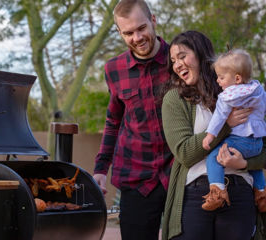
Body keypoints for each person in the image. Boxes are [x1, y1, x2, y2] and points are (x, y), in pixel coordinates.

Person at [160, 30, 266, 240]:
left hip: (240, 192)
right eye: (173, 60)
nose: (178, 64)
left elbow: (263, 149)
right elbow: (184, 153)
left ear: (200, 55)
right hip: (197, 194)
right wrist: (226, 126)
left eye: (182, 56)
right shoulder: (174, 100)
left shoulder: (240, 92)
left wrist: (244, 164)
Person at [92, 0, 174, 239]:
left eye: (141, 28)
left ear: (154, 21)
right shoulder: (113, 69)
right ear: (120, 33)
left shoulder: (179, 60)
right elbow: (113, 121)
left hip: (178, 172)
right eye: (128, 32)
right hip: (136, 175)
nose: (137, 37)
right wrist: (100, 169)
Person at [201, 49, 266, 211]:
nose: (217, 81)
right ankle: (262, 194)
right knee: (254, 166)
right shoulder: (257, 89)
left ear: (237, 78)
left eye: (221, 77)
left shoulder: (228, 96)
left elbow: (219, 117)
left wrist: (210, 136)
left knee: (214, 157)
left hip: (240, 141)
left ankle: (218, 193)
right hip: (257, 142)